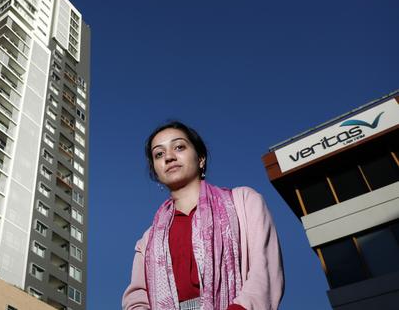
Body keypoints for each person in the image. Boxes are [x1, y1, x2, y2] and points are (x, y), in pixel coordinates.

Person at [122, 121, 284, 310]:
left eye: (179, 147)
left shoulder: (245, 201)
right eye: (159, 154)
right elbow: (137, 299)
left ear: (201, 158)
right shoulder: (148, 240)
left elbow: (263, 271)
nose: (169, 157)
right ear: (156, 172)